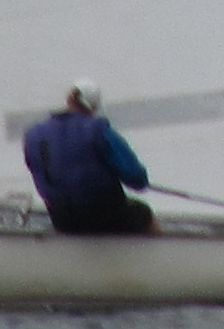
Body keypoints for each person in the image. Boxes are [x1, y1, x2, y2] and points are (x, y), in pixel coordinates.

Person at [24, 77, 155, 236]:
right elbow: (136, 178)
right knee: (143, 213)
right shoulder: (97, 130)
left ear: (68, 99)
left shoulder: (33, 135)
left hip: (62, 219)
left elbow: (38, 173)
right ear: (93, 106)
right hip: (105, 216)